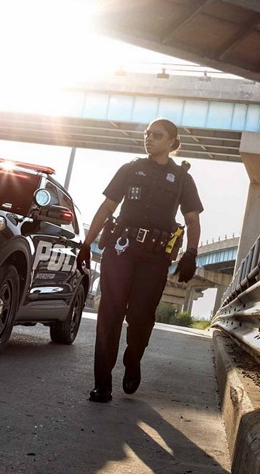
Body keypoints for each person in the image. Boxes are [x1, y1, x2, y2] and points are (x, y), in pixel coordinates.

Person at [77, 118, 203, 403]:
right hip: (121, 249)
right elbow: (107, 207)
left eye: (156, 135)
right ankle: (103, 382)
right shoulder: (130, 169)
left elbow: (192, 219)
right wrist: (87, 243)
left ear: (172, 141)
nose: (149, 139)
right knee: (110, 312)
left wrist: (191, 253)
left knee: (140, 317)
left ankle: (133, 360)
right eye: (147, 135)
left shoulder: (182, 178)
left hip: (155, 257)